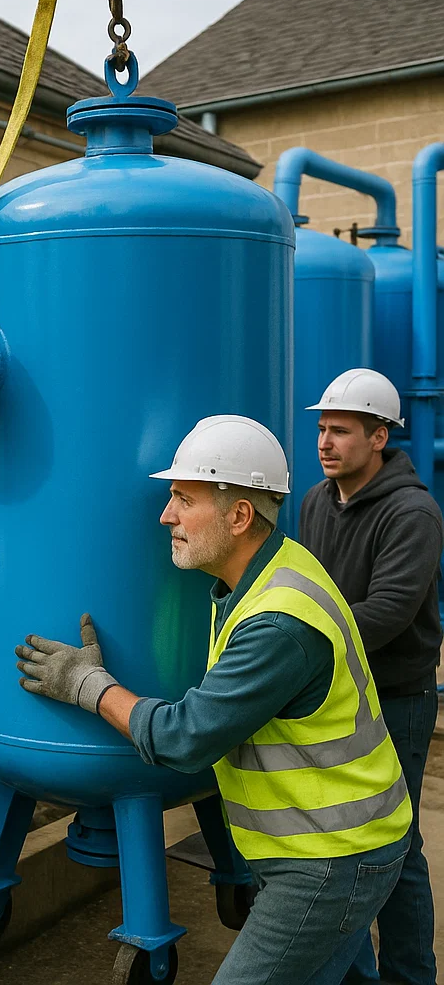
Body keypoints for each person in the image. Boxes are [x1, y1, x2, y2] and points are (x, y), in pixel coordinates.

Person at [16, 415, 413, 985]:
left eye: (182, 498)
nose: (165, 515)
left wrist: (88, 686)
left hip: (331, 858)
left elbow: (185, 737)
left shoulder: (278, 622)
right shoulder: (256, 575)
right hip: (344, 843)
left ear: (240, 515)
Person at [299, 369, 442, 985]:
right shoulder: (313, 502)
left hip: (396, 699)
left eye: (342, 431)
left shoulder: (413, 513)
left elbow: (385, 614)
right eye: (322, 430)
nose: (325, 443)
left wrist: (295, 641)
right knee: (345, 846)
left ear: (379, 436)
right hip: (338, 694)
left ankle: (410, 974)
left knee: (397, 848)